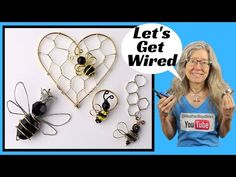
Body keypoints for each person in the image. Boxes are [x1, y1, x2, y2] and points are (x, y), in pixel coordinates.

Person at [158, 41, 235, 147]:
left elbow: (222, 134)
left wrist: (228, 116)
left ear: (210, 67)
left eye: (204, 62)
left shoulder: (220, 96)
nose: (198, 67)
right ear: (184, 65)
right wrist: (163, 116)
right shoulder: (173, 96)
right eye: (193, 61)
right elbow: (169, 135)